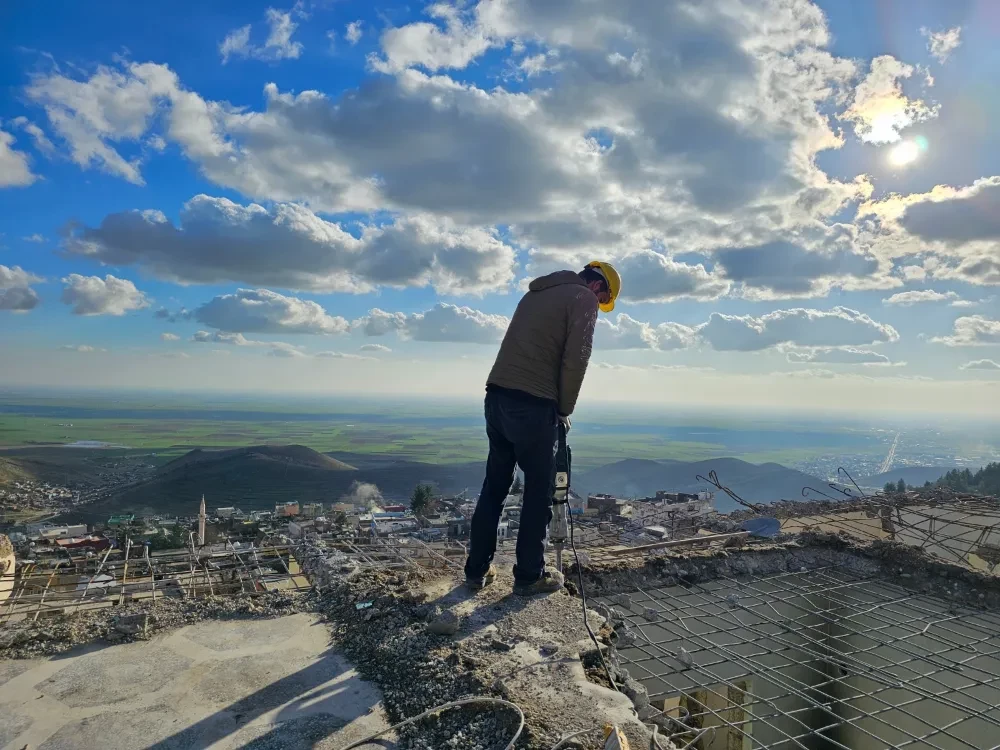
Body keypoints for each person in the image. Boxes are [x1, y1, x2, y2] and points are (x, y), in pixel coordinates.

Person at [464, 261, 621, 595]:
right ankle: (528, 575)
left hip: (496, 398)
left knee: (494, 486)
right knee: (539, 490)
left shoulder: (534, 294)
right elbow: (576, 359)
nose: (601, 303)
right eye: (604, 297)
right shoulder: (583, 299)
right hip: (533, 405)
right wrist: (564, 409)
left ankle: (476, 570)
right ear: (598, 287)